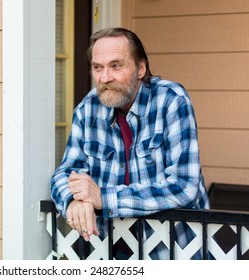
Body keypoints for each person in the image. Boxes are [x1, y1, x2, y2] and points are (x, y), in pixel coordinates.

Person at [51, 27, 209, 259]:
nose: (105, 78)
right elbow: (65, 173)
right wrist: (73, 200)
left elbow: (183, 186)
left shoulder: (171, 100)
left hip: (172, 251)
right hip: (109, 251)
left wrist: (103, 198)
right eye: (98, 68)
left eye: (116, 65)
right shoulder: (88, 109)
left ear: (141, 69)